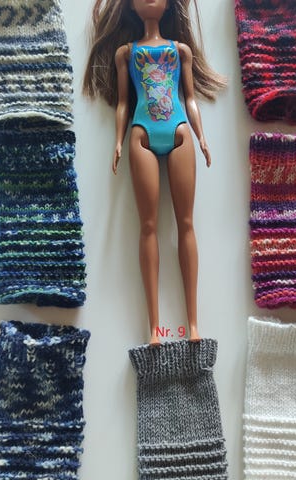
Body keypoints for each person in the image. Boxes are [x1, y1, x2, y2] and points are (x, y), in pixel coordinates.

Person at [83, 0, 225, 345]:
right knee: (148, 226)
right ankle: (155, 328)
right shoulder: (126, 53)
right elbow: (123, 103)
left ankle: (193, 324)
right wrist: (118, 142)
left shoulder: (180, 51)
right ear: (129, 6)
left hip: (179, 131)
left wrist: (202, 137)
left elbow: (189, 98)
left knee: (185, 223)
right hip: (141, 133)